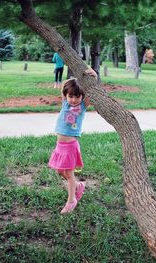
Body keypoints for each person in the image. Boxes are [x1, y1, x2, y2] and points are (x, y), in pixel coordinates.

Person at [48, 69, 96, 214]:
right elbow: (64, 85)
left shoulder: (82, 106)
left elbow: (93, 91)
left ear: (82, 96)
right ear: (66, 96)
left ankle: (71, 201)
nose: (74, 100)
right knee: (60, 171)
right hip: (60, 146)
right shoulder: (65, 104)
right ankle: (78, 186)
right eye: (71, 96)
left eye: (77, 96)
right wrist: (75, 79)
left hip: (70, 146)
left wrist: (94, 77)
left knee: (69, 174)